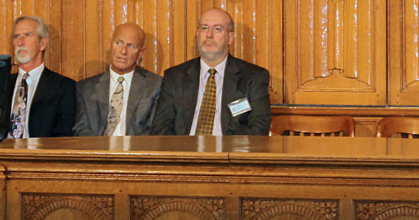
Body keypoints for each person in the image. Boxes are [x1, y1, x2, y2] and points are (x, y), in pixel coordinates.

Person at [150, 7, 271, 136]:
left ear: (230, 37)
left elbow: (258, 128)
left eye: (217, 29)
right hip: (185, 151)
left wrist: (224, 150)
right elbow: (160, 128)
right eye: (204, 28)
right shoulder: (175, 76)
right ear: (198, 34)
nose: (209, 35)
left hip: (229, 151)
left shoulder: (253, 77)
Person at [73, 23, 162, 136]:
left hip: (136, 150)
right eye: (118, 43)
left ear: (140, 53)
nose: (123, 51)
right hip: (97, 150)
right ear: (111, 44)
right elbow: (81, 128)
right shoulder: (86, 88)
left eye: (131, 46)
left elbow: (154, 130)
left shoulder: (155, 85)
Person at [6, 15, 76, 138]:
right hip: (1, 154)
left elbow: (64, 135)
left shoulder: (63, 87)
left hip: (41, 154)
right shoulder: (1, 84)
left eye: (27, 35)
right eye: (16, 36)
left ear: (42, 43)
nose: (20, 42)